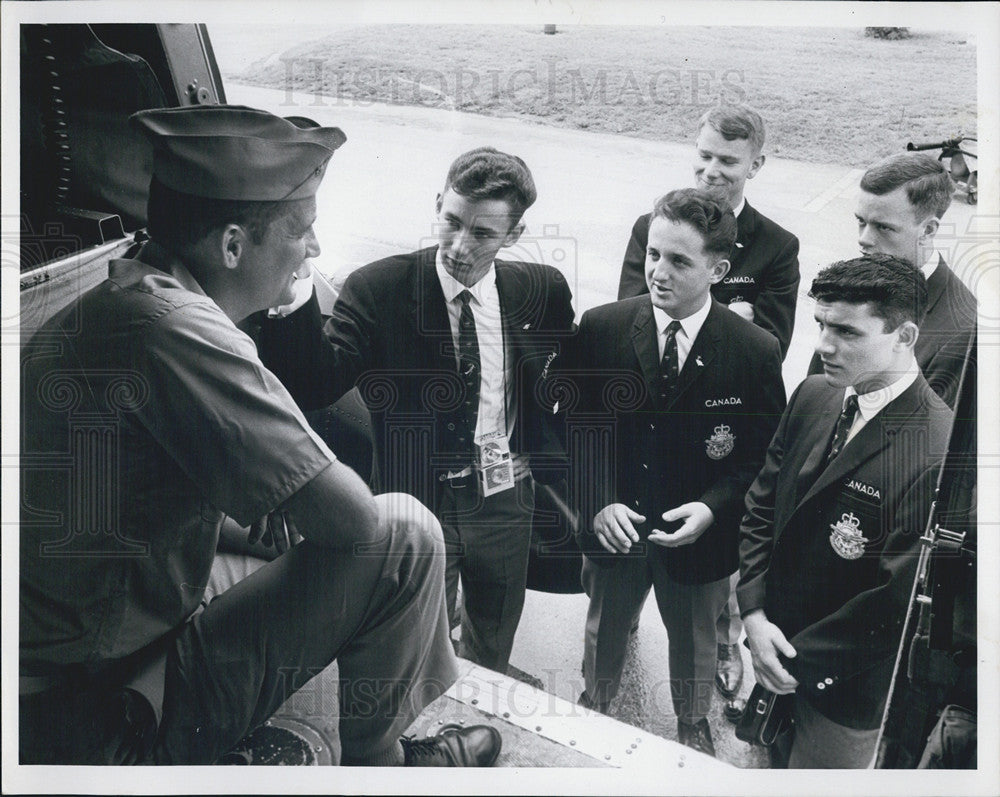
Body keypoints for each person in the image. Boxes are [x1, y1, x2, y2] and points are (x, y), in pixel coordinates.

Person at [19, 104, 501, 767]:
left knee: (284, 540)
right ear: (232, 244)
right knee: (404, 536)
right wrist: (304, 507)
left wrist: (280, 510)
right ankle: (389, 769)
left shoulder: (130, 294)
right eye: (301, 230)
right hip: (100, 720)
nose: (315, 249)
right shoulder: (180, 329)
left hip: (59, 671)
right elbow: (356, 524)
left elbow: (141, 514)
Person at [258, 147, 576, 673]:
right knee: (414, 636)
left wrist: (539, 453)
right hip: (416, 498)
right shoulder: (379, 289)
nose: (458, 245)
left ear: (513, 235)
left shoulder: (541, 290)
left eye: (482, 234)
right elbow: (315, 384)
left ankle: (483, 705)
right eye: (451, 221)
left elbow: (564, 377)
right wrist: (292, 298)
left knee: (496, 625)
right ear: (438, 204)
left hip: (503, 496)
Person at [566, 188, 785, 756]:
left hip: (700, 537)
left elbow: (762, 456)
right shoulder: (602, 328)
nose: (658, 272)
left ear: (719, 268)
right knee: (605, 625)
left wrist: (713, 507)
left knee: (693, 640)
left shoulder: (754, 350)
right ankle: (597, 700)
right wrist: (599, 501)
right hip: (617, 525)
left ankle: (691, 720)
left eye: (679, 261)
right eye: (653, 254)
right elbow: (574, 429)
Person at [738, 254, 953, 768]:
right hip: (771, 640)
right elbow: (762, 503)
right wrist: (752, 609)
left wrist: (788, 657)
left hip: (844, 689)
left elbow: (896, 601)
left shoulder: (937, 450)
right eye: (820, 324)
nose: (823, 346)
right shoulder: (815, 394)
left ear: (904, 335)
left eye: (848, 332)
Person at [617, 104, 800, 705]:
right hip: (652, 423)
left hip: (716, 428)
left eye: (727, 161)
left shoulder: (775, 246)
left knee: (707, 588)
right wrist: (722, 315)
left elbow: (770, 342)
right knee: (623, 591)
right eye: (703, 156)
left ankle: (721, 648)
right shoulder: (657, 223)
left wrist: (717, 321)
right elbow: (632, 310)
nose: (711, 171)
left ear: (756, 165)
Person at [806, 152, 976, 409]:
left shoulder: (963, 333)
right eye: (860, 222)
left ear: (928, 230)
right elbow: (813, 404)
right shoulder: (851, 287)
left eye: (883, 227)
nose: (863, 238)